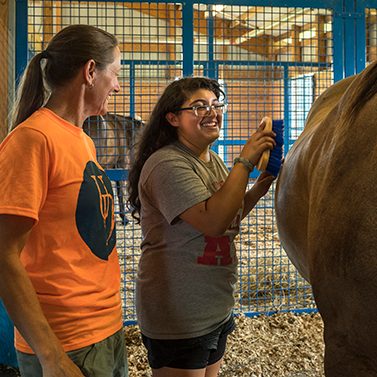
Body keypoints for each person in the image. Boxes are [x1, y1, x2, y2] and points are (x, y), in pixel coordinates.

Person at [0, 25, 128, 377]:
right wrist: (51, 356)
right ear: (90, 72)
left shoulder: (83, 141)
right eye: (114, 73)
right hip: (67, 341)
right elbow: (3, 254)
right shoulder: (33, 140)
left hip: (105, 330)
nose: (117, 86)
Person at [127, 77, 276, 377]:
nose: (212, 112)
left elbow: (229, 214)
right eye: (198, 107)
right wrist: (245, 161)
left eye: (216, 104)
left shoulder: (215, 162)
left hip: (214, 306)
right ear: (172, 118)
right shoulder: (167, 165)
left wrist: (262, 184)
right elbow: (213, 222)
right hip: (180, 315)